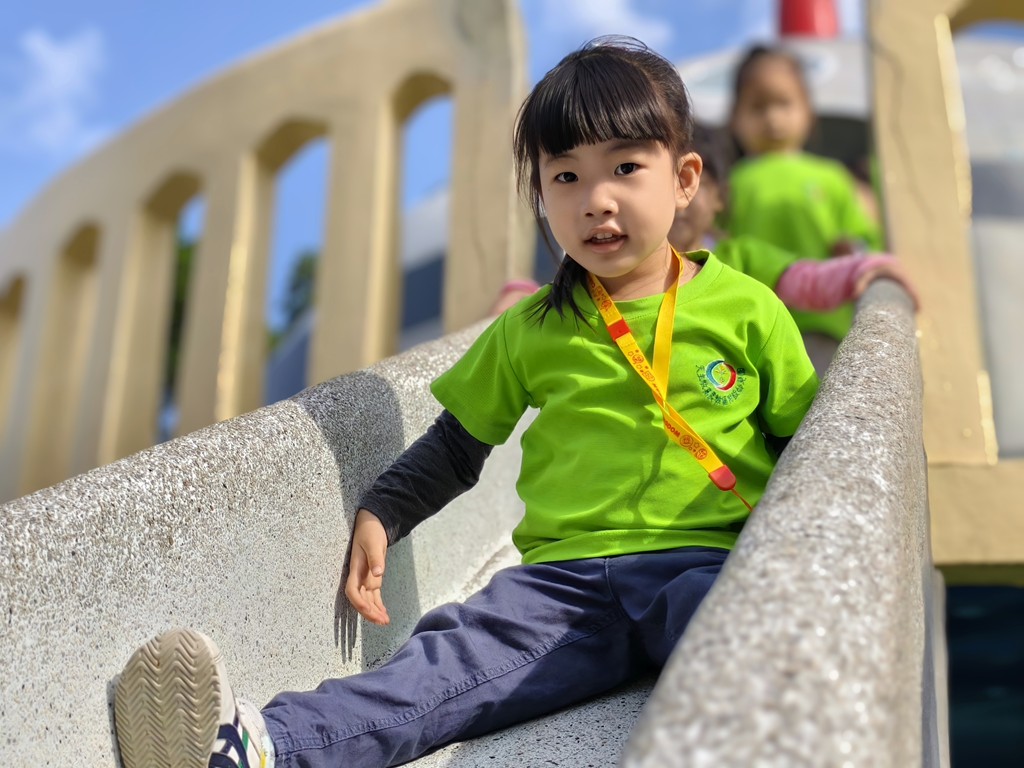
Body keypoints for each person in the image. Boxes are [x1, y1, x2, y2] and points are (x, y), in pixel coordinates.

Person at [113, 38, 820, 768]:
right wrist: (384, 511)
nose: (596, 199)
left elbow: (813, 441)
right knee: (446, 666)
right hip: (564, 584)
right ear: (541, 196)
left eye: (625, 168)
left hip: (706, 562)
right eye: (566, 176)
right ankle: (265, 745)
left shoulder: (747, 308)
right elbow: (457, 445)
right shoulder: (531, 328)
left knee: (752, 648)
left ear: (685, 179)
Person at [670, 126, 917, 324]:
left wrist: (862, 267)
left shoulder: (741, 258)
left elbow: (808, 281)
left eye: (689, 181)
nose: (677, 197)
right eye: (663, 182)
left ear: (719, 197)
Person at [723, 44, 883, 342]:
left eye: (784, 103)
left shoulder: (832, 177)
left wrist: (853, 247)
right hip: (749, 329)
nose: (772, 118)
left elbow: (863, 238)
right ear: (734, 117)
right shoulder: (729, 184)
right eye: (757, 107)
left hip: (824, 325)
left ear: (808, 111)